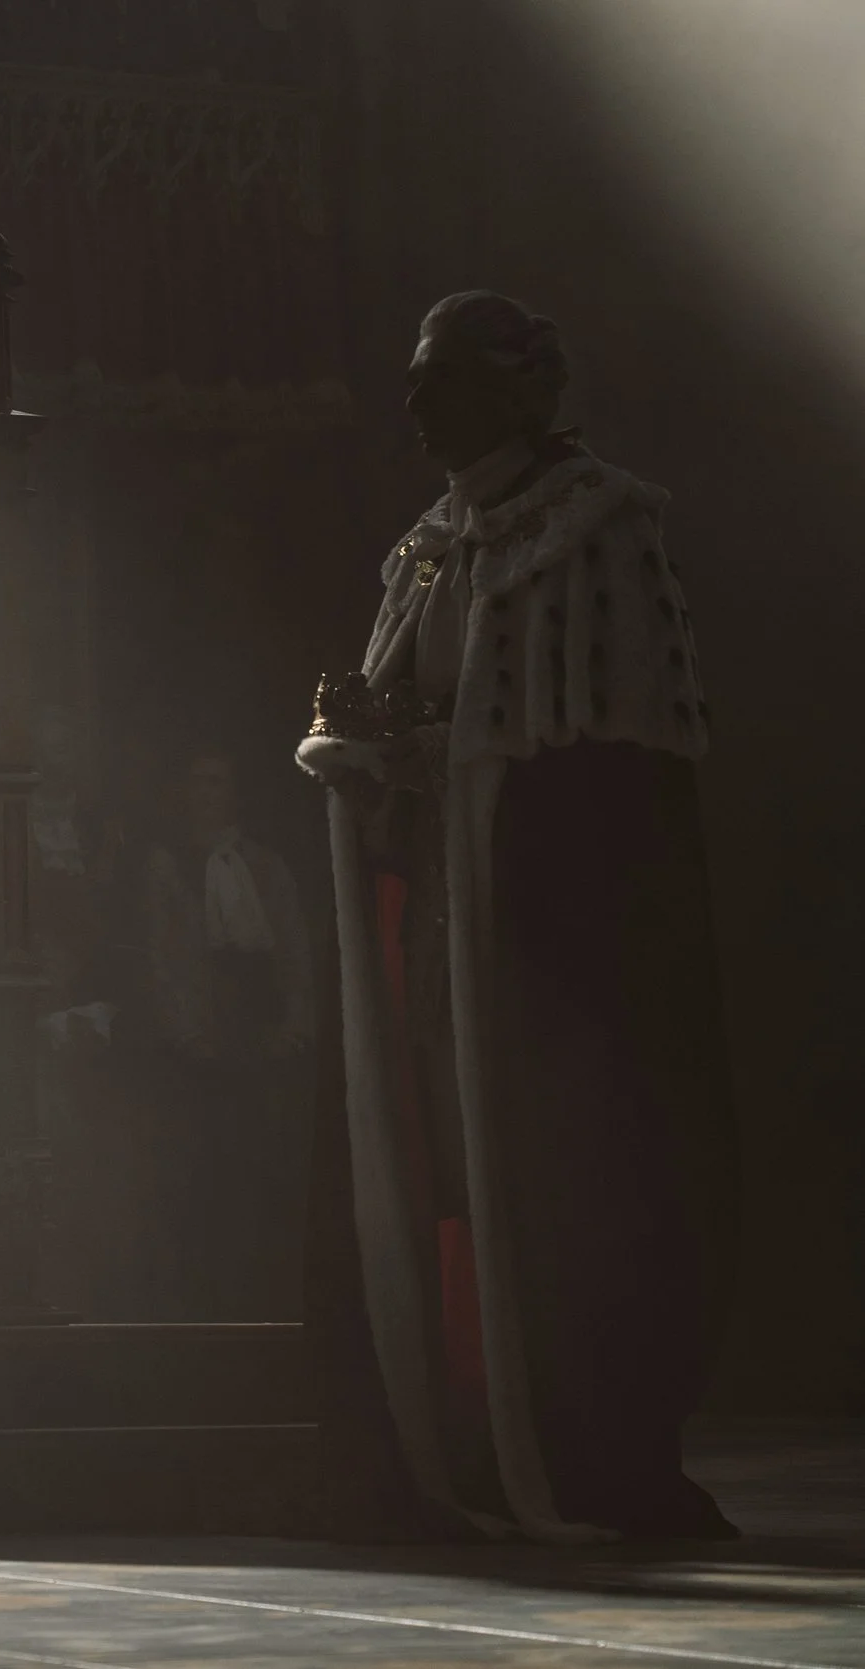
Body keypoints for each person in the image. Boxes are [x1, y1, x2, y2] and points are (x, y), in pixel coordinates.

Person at [296, 291, 733, 1541]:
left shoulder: (598, 527)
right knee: (439, 1166)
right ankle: (460, 1430)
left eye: (440, 376)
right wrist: (364, 750)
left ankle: (578, 1436)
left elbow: (615, 765)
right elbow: (403, 708)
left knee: (554, 1173)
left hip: (547, 936)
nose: (414, 402)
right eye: (411, 376)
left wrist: (454, 770)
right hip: (436, 905)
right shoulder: (425, 547)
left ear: (516, 387)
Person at [137, 749, 313, 1319]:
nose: (207, 794)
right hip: (194, 1047)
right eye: (198, 783)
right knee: (196, 1180)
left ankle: (259, 1304)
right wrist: (186, 1035)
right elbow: (159, 958)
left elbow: (293, 952)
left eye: (218, 783)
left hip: (256, 1038)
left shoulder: (266, 866)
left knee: (256, 1179)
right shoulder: (166, 865)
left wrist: (293, 1027)